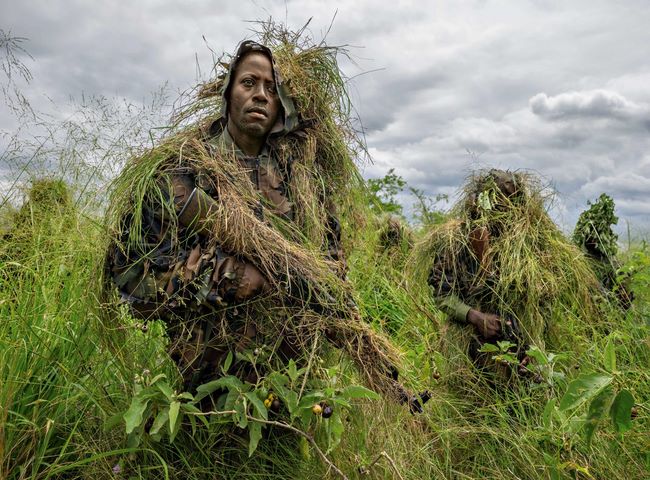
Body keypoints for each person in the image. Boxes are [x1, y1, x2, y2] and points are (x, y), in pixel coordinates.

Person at [106, 39, 418, 408]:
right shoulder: (182, 173)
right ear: (228, 94)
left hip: (291, 386)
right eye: (248, 83)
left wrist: (338, 312)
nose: (260, 95)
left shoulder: (303, 181)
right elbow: (130, 275)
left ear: (281, 107)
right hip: (204, 385)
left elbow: (332, 266)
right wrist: (225, 277)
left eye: (271, 88)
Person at [420, 169, 600, 379]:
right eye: (500, 204)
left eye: (513, 204)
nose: (506, 212)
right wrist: (475, 317)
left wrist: (535, 347)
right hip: (473, 352)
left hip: (526, 350)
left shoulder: (531, 244)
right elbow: (443, 295)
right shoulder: (456, 242)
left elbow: (545, 301)